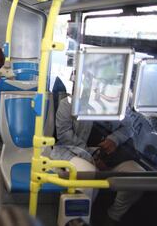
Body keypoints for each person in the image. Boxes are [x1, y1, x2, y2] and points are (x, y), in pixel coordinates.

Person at [53, 96, 144, 225]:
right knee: (88, 174)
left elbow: (129, 127)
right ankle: (79, 221)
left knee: (137, 176)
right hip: (74, 151)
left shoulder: (120, 103)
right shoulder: (68, 103)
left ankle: (113, 216)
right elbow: (64, 134)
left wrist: (114, 139)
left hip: (111, 154)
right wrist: (92, 156)